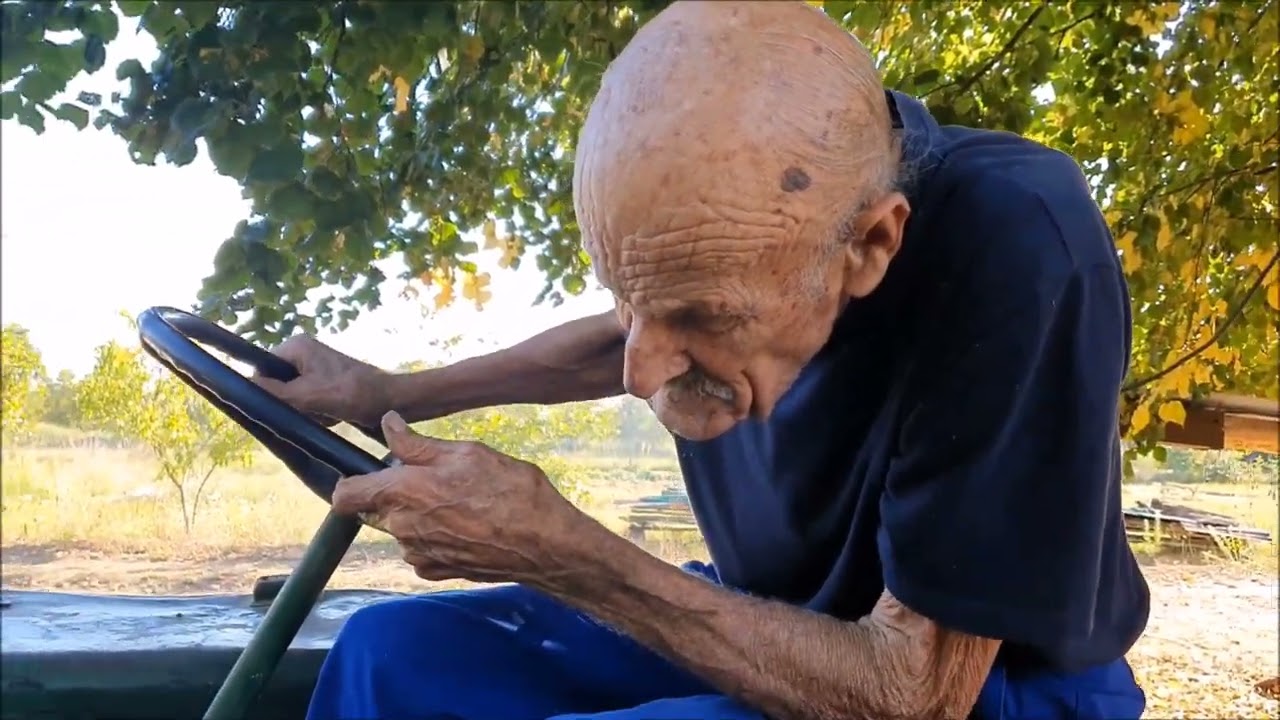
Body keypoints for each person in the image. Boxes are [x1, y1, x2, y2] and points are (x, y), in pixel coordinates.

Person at [256, 2, 1150, 718]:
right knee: (389, 656)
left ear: (871, 246)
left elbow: (914, 694)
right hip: (778, 609)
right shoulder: (759, 245)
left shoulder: (1021, 245)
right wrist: (388, 392)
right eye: (627, 297)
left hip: (982, 684)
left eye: (702, 316)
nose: (642, 373)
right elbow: (622, 341)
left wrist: (557, 549)